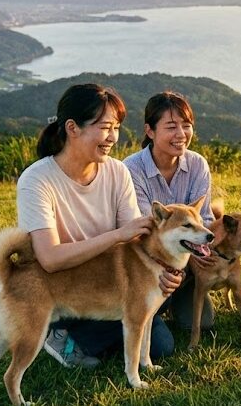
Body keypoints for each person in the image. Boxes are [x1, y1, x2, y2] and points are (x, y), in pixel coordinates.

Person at [16, 83, 182, 368]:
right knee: (141, 317)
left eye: (116, 128)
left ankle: (89, 335)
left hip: (109, 283)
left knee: (162, 342)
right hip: (61, 288)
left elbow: (136, 243)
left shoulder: (116, 171)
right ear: (72, 128)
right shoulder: (37, 180)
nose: (112, 137)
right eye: (105, 127)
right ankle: (57, 331)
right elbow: (50, 258)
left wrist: (169, 271)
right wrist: (116, 235)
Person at [124, 91, 216, 334]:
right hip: (148, 263)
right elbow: (143, 230)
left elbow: (205, 217)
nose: (181, 134)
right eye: (171, 126)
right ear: (150, 131)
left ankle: (173, 297)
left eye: (186, 126)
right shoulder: (131, 169)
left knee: (203, 323)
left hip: (188, 259)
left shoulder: (197, 164)